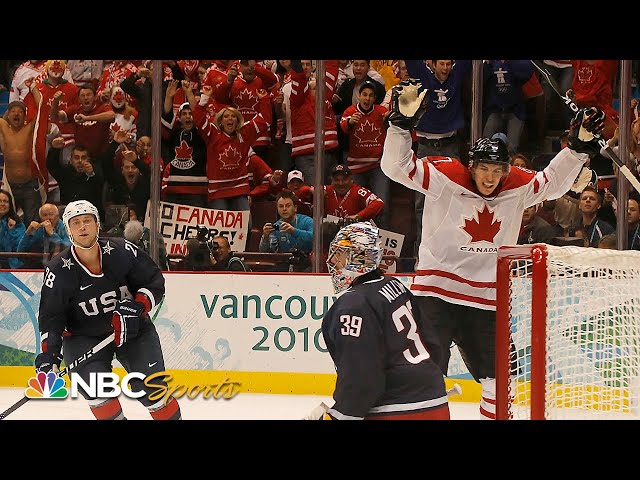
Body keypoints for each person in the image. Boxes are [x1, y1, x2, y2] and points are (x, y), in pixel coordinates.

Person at [380, 79, 606, 419]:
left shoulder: (516, 184)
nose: (490, 178)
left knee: (499, 380)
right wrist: (399, 125)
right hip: (435, 292)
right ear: (472, 167)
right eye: (484, 169)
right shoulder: (447, 177)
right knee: (423, 377)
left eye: (497, 170)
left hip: (486, 299)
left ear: (506, 170)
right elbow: (395, 167)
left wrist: (577, 148)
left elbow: (553, 182)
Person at [35, 200, 181, 420]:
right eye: (76, 223)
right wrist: (49, 356)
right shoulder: (58, 271)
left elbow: (153, 281)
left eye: (87, 221)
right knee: (95, 391)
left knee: (152, 388)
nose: (82, 226)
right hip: (83, 337)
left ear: (97, 224)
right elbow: (51, 318)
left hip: (132, 331)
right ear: (68, 230)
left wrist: (138, 306)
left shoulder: (122, 251)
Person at [306, 221, 449, 420]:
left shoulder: (352, 306)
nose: (332, 260)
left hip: (397, 411)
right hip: (437, 402)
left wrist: (339, 415)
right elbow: (434, 346)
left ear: (357, 258)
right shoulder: (395, 286)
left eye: (339, 254)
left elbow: (362, 377)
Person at [258, 190, 313, 271]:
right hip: (285, 264)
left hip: (307, 263)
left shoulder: (307, 221)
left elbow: (314, 238)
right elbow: (265, 254)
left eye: (288, 206)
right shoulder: (276, 227)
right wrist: (265, 237)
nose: (284, 209)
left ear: (295, 208)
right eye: (280, 206)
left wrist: (294, 231)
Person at [17, 202, 71, 268]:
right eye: (45, 215)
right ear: (41, 218)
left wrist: (52, 234)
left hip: (62, 266)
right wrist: (28, 233)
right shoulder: (39, 230)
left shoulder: (66, 228)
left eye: (51, 214)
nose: (48, 218)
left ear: (57, 216)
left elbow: (68, 249)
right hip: (40, 267)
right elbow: (20, 252)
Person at [0, 189, 26, 269]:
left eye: (6, 201)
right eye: (0, 201)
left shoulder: (18, 224)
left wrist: (10, 230)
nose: (2, 204)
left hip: (10, 264)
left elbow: (19, 248)